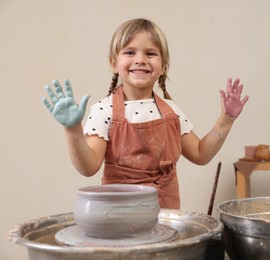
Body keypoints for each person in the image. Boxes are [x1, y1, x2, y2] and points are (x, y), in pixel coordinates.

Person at [42, 18, 249, 209]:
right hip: (119, 218)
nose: (140, 59)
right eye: (130, 52)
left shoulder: (171, 111)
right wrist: (73, 130)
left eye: (150, 53)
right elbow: (88, 167)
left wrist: (226, 120)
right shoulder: (105, 110)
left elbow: (201, 154)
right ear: (113, 63)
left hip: (165, 219)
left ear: (163, 66)